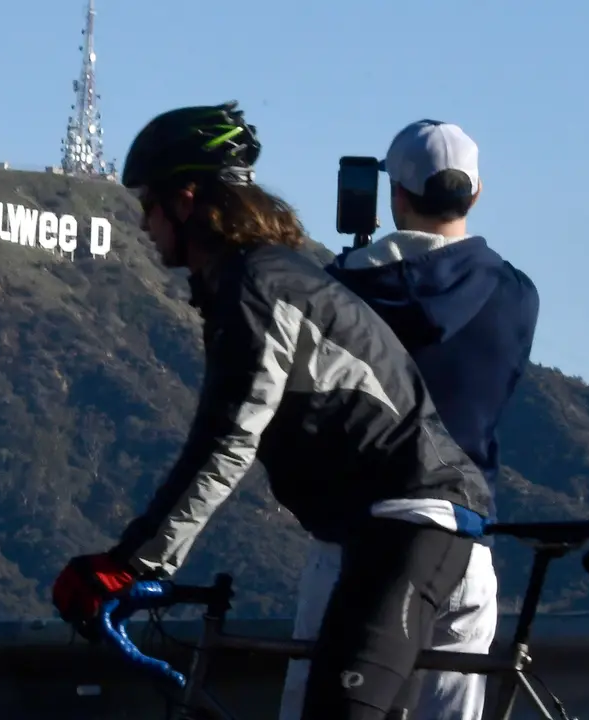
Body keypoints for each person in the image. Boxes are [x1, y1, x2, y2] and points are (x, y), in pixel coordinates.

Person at [50, 102, 494, 720]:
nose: (143, 224)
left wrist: (131, 564)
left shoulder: (255, 286)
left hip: (410, 526)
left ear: (184, 201)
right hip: (413, 530)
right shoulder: (274, 276)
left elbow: (227, 440)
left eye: (146, 204)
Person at [278, 120, 541, 720]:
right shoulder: (517, 294)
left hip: (359, 539)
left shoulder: (341, 293)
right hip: (465, 542)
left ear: (394, 194)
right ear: (474, 193)